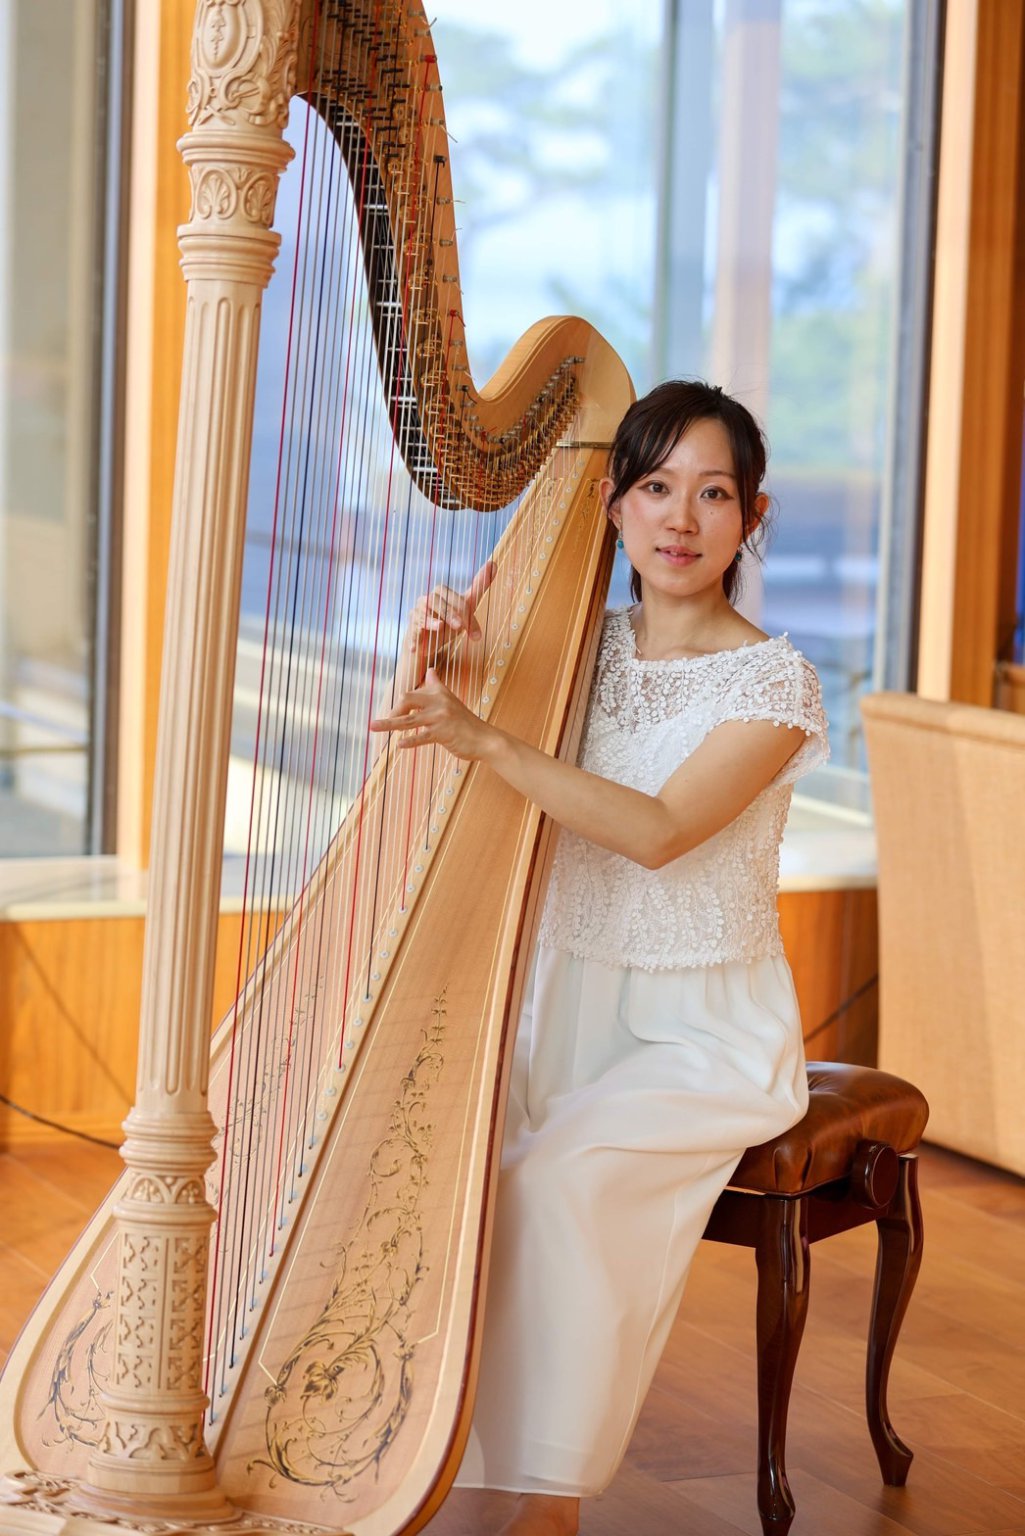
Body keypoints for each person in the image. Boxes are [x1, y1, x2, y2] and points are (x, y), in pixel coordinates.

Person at [371, 379, 828, 1536]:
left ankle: (541, 1499)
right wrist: (440, 660)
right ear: (614, 505)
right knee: (441, 1171)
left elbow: (659, 831)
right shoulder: (573, 644)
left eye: (712, 493)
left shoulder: (771, 683)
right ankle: (420, 1464)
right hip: (550, 1002)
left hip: (699, 1035)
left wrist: (486, 737)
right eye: (656, 487)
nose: (680, 517)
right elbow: (433, 760)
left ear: (750, 516)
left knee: (552, 1182)